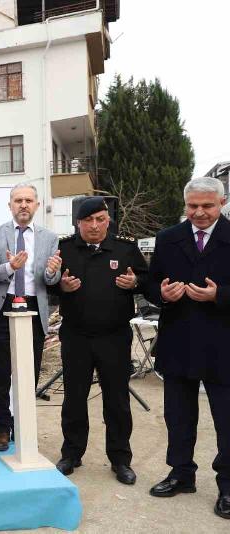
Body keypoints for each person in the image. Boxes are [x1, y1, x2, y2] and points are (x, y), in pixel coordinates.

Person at [146, 177, 230, 520]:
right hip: (178, 340)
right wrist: (160, 294)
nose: (199, 212)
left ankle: (228, 485)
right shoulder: (168, 238)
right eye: (193, 206)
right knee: (178, 416)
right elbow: (151, 281)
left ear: (222, 203)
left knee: (227, 419)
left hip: (223, 344)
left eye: (207, 206)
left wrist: (219, 295)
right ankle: (181, 473)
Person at [52, 197, 148, 485]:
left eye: (100, 220)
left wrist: (135, 283)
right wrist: (61, 287)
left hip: (114, 337)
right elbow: (47, 284)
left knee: (117, 400)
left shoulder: (125, 248)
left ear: (108, 221)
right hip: (76, 337)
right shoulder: (65, 248)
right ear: (78, 223)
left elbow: (148, 281)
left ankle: (120, 459)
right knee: (74, 398)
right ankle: (71, 453)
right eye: (88, 220)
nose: (94, 226)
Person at [0, 183, 62, 451]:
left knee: (29, 372)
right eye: (18, 200)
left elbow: (51, 280)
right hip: (1, 309)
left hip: (33, 309)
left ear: (36, 205)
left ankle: (22, 426)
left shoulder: (50, 238)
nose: (23, 205)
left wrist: (52, 272)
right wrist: (10, 267)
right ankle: (2, 429)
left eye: (28, 200)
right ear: (10, 205)